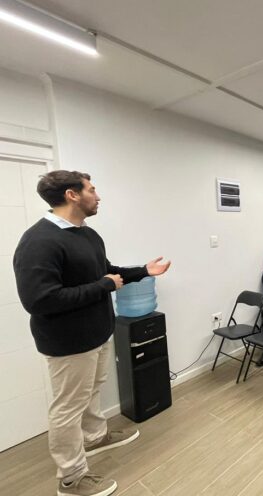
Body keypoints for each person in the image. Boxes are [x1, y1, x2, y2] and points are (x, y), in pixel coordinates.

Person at [13, 170, 171, 496]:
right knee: (67, 408)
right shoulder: (38, 241)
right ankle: (71, 478)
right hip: (68, 342)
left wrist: (144, 271)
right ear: (72, 195)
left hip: (97, 333)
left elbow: (107, 272)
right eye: (92, 190)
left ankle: (96, 437)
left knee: (92, 391)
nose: (98, 196)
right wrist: (104, 286)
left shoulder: (87, 234)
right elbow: (40, 300)